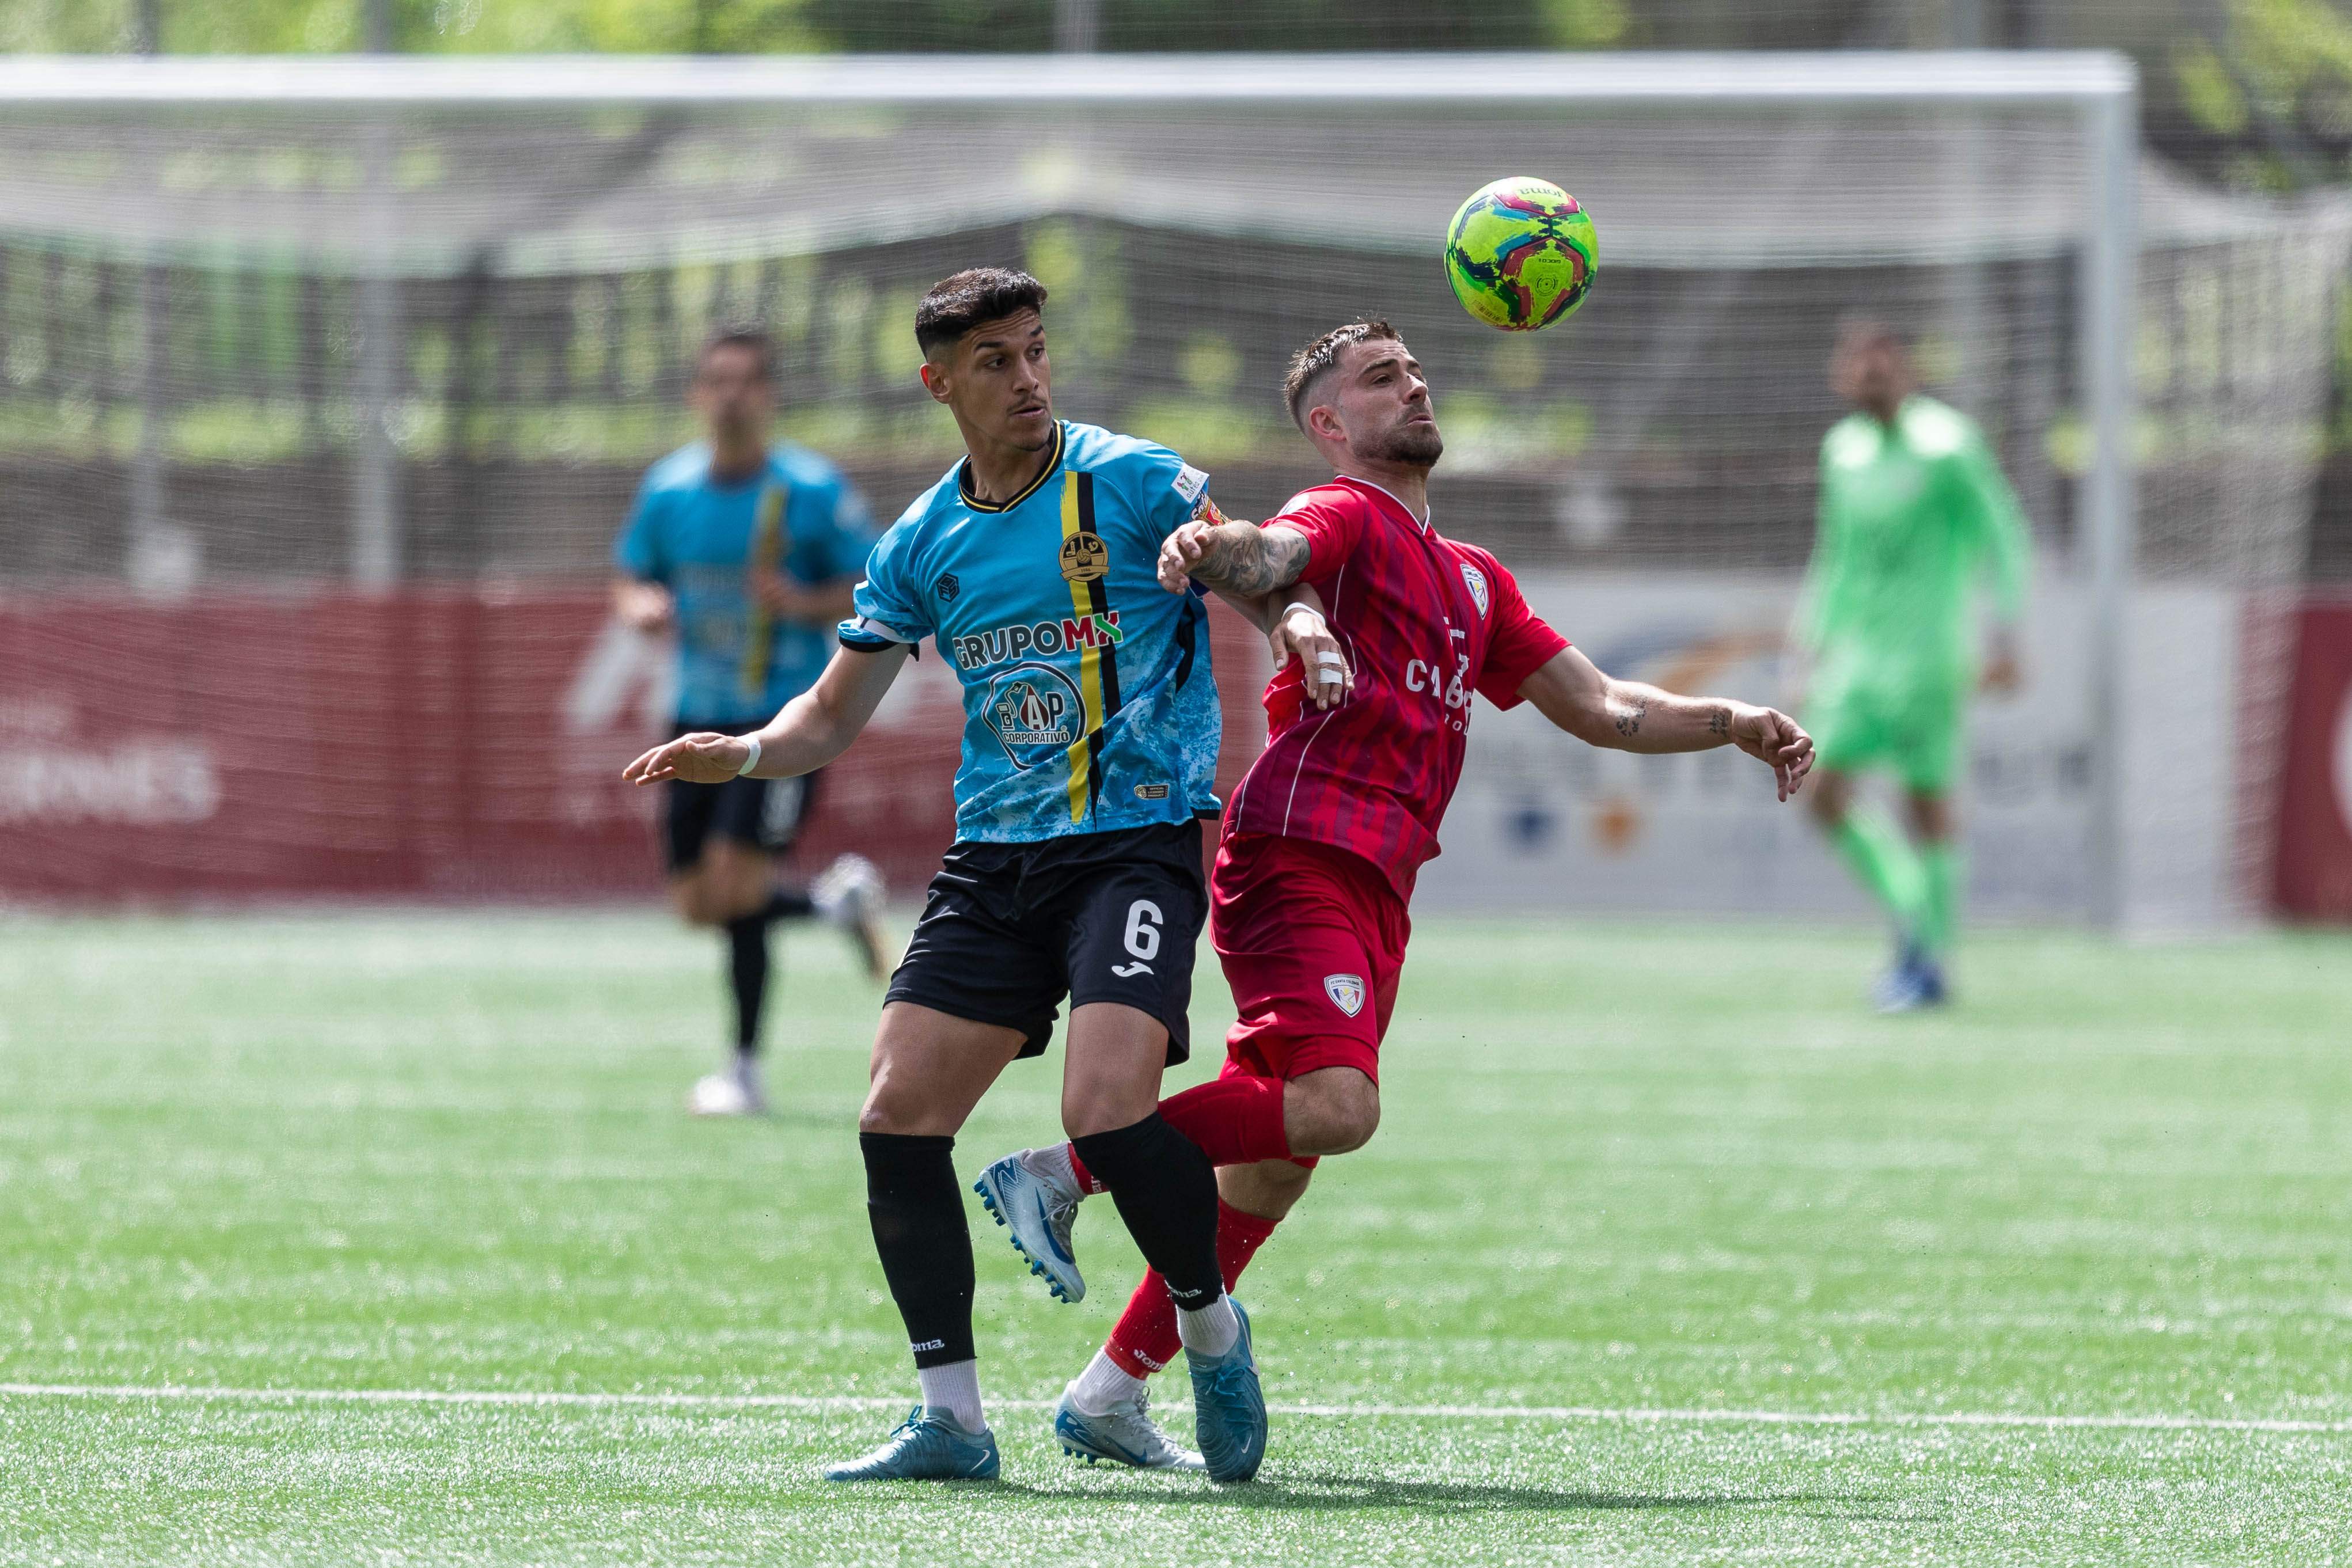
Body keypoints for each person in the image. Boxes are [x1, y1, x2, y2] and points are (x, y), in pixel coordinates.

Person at [971, 318, 1815, 1471]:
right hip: (1296, 849)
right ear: (1329, 424)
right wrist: (1216, 551)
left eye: (1413, 371)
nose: (1411, 386)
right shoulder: (1348, 513)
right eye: (1379, 378)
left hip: (1379, 884)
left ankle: (1108, 1390)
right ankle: (1059, 1167)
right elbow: (1271, 554)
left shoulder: (1472, 577)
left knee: (1273, 1156)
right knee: (1336, 1106)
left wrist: (1726, 719)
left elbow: (1601, 705)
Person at [621, 270, 1346, 1486]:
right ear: (939, 382)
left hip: (1133, 842)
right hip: (991, 860)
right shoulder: (919, 541)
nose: (1026, 378)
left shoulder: (1128, 478)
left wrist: (1302, 624)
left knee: (1102, 1110)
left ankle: (1212, 1331)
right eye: (996, 360)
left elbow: (1263, 566)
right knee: (895, 1113)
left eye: (1035, 351)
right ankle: (952, 1418)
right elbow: (827, 713)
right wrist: (743, 749)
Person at [612, 325, 890, 1117]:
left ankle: (743, 1067)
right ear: (700, 394)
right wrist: (644, 606)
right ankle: (832, 905)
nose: (731, 396)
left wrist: (802, 602)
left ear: (767, 396)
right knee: (695, 900)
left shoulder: (808, 490)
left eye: (746, 382)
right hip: (693, 711)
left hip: (779, 723)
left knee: (736, 889)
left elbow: (875, 584)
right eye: (717, 381)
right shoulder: (669, 490)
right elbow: (632, 577)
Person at [1793, 320, 2030, 1011]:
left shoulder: (1949, 445)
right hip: (1857, 664)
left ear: (1906, 368)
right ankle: (1915, 921)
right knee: (1821, 793)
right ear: (1841, 374)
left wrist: (2006, 634)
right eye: (1855, 361)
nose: (1868, 373)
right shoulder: (1842, 451)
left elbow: (2005, 535)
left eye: (1881, 360)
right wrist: (1808, 647)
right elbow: (1834, 558)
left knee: (1925, 808)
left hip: (1930, 658)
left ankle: (1929, 960)